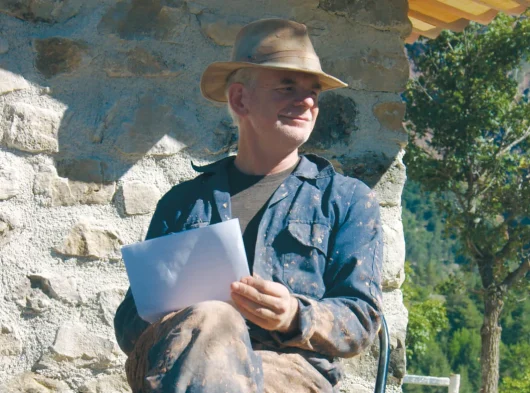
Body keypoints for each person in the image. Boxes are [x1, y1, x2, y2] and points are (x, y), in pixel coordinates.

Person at [114, 18, 383, 393]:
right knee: (212, 320)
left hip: (289, 372)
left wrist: (294, 314)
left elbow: (362, 318)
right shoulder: (182, 203)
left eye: (313, 92)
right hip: (175, 361)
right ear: (240, 99)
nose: (306, 101)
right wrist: (183, 319)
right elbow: (129, 323)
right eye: (287, 86)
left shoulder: (348, 200)